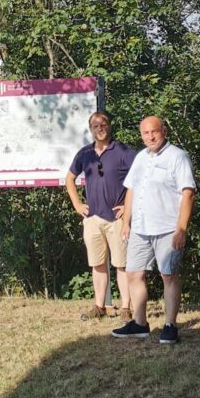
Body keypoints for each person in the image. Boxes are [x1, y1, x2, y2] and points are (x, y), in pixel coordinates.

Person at [113, 116, 195, 342]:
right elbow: (131, 190)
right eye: (145, 133)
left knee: (168, 275)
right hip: (140, 228)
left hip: (167, 228)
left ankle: (170, 326)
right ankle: (140, 324)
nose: (150, 137)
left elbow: (188, 193)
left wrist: (181, 228)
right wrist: (126, 222)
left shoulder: (178, 157)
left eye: (154, 132)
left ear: (164, 131)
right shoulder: (140, 157)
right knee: (134, 274)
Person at [65, 112, 138, 321]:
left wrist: (128, 207)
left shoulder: (124, 151)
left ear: (110, 126)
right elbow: (69, 179)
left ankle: (126, 307)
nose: (100, 128)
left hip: (117, 219)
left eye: (103, 124)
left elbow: (141, 179)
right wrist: (77, 204)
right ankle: (99, 306)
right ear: (91, 129)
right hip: (93, 218)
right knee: (97, 264)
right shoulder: (85, 153)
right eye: (95, 125)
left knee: (121, 264)